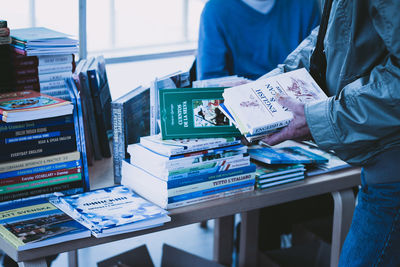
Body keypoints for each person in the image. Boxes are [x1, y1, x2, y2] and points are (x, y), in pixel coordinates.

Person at [261, 0, 400, 265]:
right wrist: (273, 85)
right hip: (377, 160)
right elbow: (332, 36)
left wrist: (318, 119)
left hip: (391, 167)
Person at [196, 0, 321, 81]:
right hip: (239, 104)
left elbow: (316, 67)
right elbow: (210, 79)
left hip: (297, 100)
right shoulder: (215, 10)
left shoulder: (306, 4)